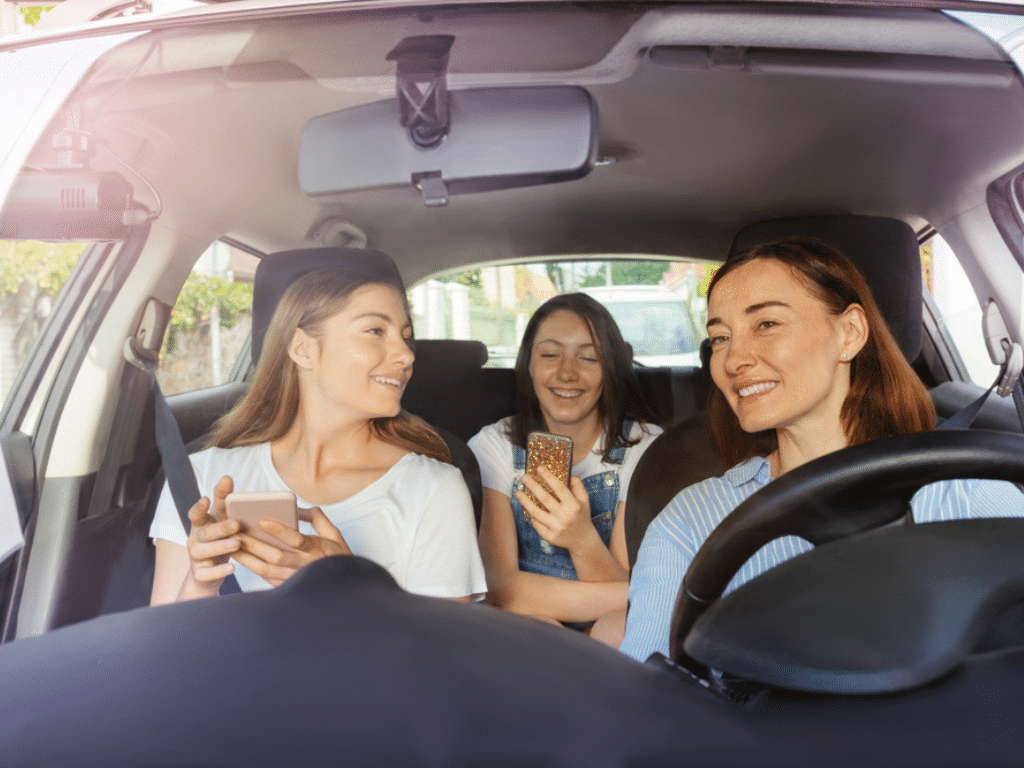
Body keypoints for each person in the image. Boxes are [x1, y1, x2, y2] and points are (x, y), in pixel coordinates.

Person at [620, 239, 1024, 661]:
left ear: (849, 333)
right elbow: (653, 698)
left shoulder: (963, 492)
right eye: (720, 337)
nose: (733, 358)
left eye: (766, 324)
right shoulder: (690, 523)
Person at [149, 259, 487, 605]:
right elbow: (162, 653)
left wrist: (348, 586)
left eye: (406, 337)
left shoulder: (433, 489)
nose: (406, 355)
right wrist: (201, 582)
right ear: (303, 348)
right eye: (375, 331)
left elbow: (439, 656)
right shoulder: (201, 477)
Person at [468, 293, 663, 641]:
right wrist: (646, 593)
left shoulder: (645, 447)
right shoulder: (494, 445)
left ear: (611, 370)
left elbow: (629, 609)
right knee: (538, 631)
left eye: (588, 357)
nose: (567, 373)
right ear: (528, 365)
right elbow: (501, 590)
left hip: (610, 627)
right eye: (549, 355)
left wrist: (581, 539)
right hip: (531, 627)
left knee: (615, 626)